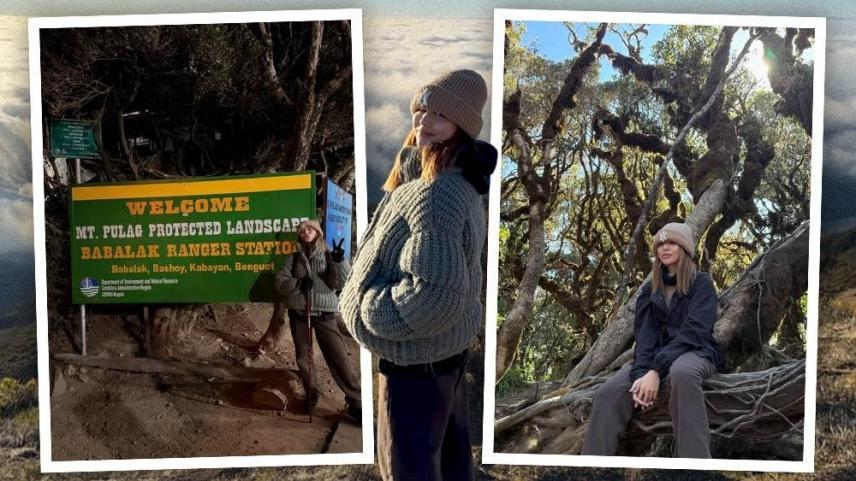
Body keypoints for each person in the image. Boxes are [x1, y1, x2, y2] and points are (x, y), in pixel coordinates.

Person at [340, 69, 496, 481]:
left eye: (439, 115)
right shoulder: (445, 180)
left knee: (407, 471)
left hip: (415, 366)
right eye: (421, 109)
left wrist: (368, 307)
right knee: (449, 463)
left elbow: (433, 297)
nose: (424, 122)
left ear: (460, 128)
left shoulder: (437, 193)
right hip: (439, 358)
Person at [582, 222, 721, 458]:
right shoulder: (649, 291)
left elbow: (695, 332)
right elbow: (644, 338)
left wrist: (655, 371)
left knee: (682, 373)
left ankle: (695, 464)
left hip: (695, 352)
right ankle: (591, 466)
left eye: (672, 243)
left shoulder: (702, 284)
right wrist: (640, 377)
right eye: (661, 244)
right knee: (607, 393)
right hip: (655, 359)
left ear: (685, 249)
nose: (665, 248)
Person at [275, 219, 362, 421]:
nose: (306, 232)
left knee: (338, 356)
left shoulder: (329, 255)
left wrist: (339, 263)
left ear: (317, 232)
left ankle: (356, 400)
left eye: (309, 229)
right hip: (299, 314)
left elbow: (340, 282)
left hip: (324, 314)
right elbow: (280, 283)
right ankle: (312, 393)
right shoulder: (293, 258)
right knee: (304, 358)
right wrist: (297, 283)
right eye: (302, 230)